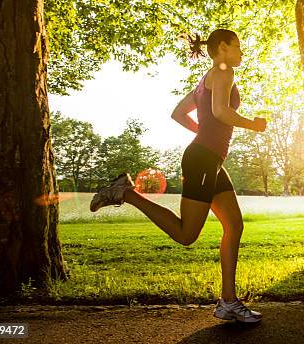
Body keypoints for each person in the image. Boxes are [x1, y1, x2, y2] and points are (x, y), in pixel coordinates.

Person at [89, 29, 266, 323]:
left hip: (208, 158)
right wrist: (252, 124)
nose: (241, 52)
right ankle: (126, 193)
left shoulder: (205, 80)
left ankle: (228, 302)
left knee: (234, 225)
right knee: (187, 235)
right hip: (204, 161)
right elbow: (221, 111)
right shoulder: (224, 71)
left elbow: (179, 113)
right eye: (238, 46)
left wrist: (206, 135)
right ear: (223, 47)